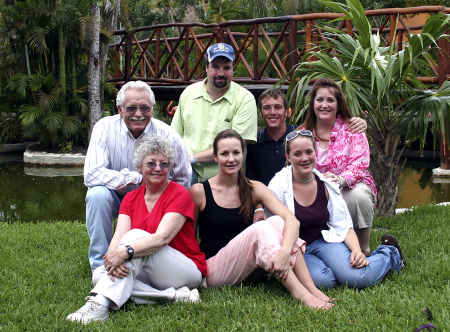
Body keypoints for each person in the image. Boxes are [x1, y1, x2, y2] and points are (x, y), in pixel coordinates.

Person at [67, 135, 206, 325]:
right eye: (151, 163)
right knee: (100, 274)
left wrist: (124, 253)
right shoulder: (130, 198)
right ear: (139, 167)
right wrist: (111, 258)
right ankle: (173, 296)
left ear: (169, 167)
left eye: (164, 164)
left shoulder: (180, 194)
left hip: (184, 269)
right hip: (151, 270)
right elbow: (118, 236)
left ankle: (98, 304)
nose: (158, 168)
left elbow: (161, 239)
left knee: (136, 237)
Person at [189, 129, 334, 309]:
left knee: (277, 222)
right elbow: (189, 238)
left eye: (236, 152)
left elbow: (292, 220)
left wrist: (284, 252)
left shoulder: (253, 188)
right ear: (215, 157)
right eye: (224, 153)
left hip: (248, 268)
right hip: (214, 270)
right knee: (261, 228)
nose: (231, 159)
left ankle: (311, 288)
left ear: (243, 153)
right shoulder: (199, 191)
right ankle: (299, 293)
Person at [267, 129, 405, 289]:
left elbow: (343, 224)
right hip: (297, 250)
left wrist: (356, 250)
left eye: (309, 152)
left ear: (315, 153)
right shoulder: (277, 185)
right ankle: (339, 271)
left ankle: (390, 252)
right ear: (288, 157)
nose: (304, 158)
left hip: (325, 241)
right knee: (323, 282)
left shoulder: (326, 184)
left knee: (357, 278)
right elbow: (272, 228)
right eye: (297, 154)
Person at [84, 80, 191, 272]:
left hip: (155, 199)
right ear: (120, 109)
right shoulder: (104, 128)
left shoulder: (169, 134)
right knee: (96, 195)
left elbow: (182, 180)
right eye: (131, 108)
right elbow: (91, 174)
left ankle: (152, 255)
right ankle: (101, 264)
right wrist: (134, 178)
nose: (139, 114)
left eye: (144, 108)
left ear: (153, 108)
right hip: (117, 196)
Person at [245, 88, 367, 223]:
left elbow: (325, 128)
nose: (272, 112)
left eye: (278, 107)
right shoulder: (254, 143)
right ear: (261, 112)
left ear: (287, 111)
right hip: (268, 203)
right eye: (267, 108)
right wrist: (258, 208)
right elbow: (252, 181)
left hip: (302, 201)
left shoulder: (302, 134)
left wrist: (360, 122)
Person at [299, 78, 376, 256]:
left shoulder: (353, 129)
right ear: (312, 104)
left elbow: (360, 164)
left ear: (339, 104)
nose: (324, 105)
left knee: (357, 197)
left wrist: (340, 180)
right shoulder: (302, 133)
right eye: (320, 100)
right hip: (315, 189)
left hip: (349, 185)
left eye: (330, 100)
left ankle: (363, 248)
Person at [171, 43, 257, 184]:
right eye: (215, 67)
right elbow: (173, 137)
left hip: (224, 176)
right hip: (186, 172)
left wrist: (192, 158)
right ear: (206, 67)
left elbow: (234, 146)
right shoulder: (188, 93)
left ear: (233, 69)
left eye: (226, 68)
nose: (221, 73)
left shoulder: (245, 99)